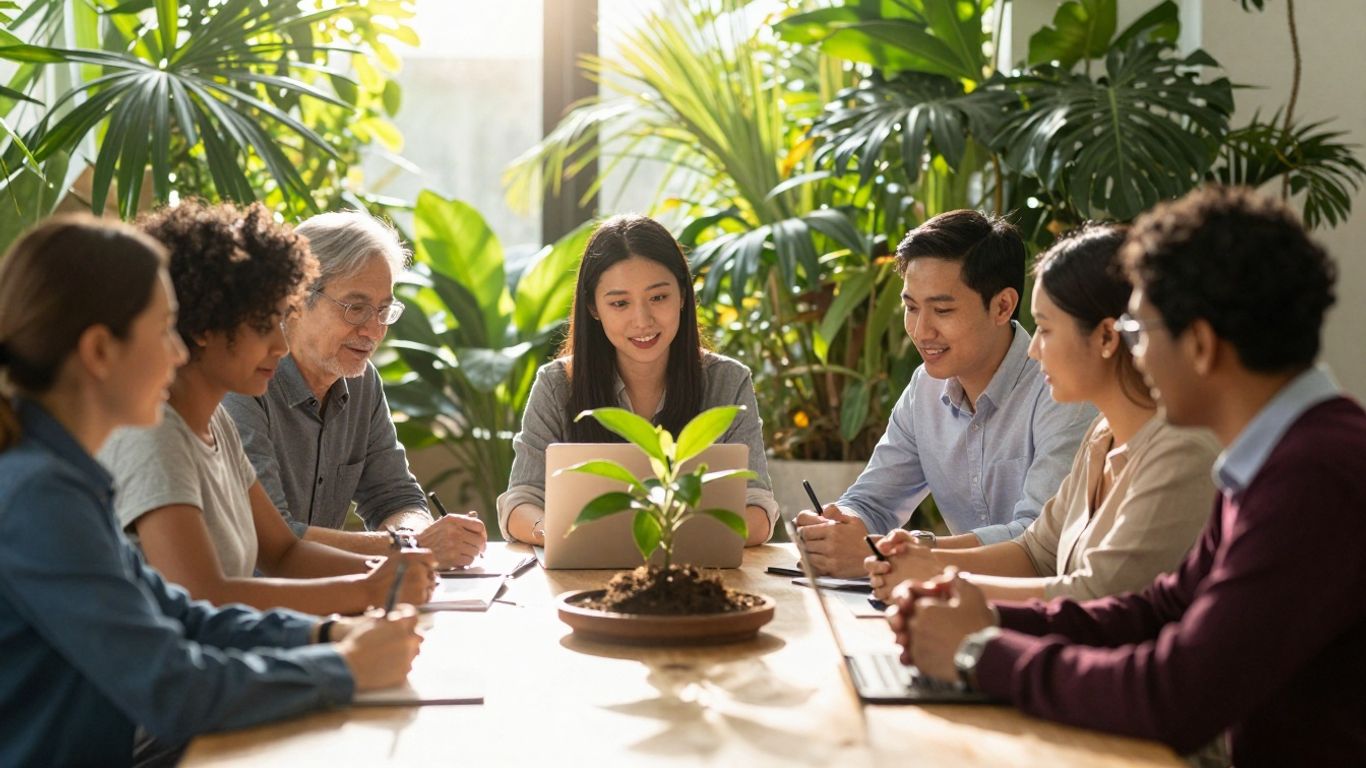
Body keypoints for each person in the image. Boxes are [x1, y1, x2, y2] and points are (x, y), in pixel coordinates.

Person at [888, 187, 1366, 766]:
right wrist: (982, 616)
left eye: (1139, 333)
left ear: (1200, 344)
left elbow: (1176, 692)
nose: (1132, 358)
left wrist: (981, 651)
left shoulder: (1316, 475)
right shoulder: (1274, 457)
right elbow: (1156, 608)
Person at [0, 216, 422, 767]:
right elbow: (171, 686)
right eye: (165, 331)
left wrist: (325, 632)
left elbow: (180, 613)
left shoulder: (64, 476)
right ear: (101, 351)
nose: (179, 354)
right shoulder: (40, 497)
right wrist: (343, 667)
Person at [99, 201, 435, 615]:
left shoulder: (215, 422)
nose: (280, 346)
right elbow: (203, 599)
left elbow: (284, 552)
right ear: (206, 326)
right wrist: (364, 595)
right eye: (265, 325)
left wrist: (391, 575)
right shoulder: (155, 432)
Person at [865, 224, 1219, 602]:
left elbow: (1098, 596)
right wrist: (920, 561)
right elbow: (1036, 551)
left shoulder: (1182, 450)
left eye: (1046, 331)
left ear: (1105, 337)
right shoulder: (1102, 436)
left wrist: (938, 580)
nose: (1033, 351)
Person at [796, 210, 1095, 576]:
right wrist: (838, 527)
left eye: (942, 309)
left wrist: (906, 553)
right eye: (910, 308)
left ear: (1003, 306)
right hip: (955, 599)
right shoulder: (925, 387)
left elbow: (1039, 541)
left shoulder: (1061, 390)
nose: (921, 331)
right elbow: (872, 502)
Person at [224, 211, 486, 568]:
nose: (374, 331)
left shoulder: (362, 382)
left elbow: (396, 498)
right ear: (296, 299)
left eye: (384, 310)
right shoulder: (242, 383)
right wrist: (409, 545)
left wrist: (415, 536)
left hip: (329, 596)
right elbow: (273, 539)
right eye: (356, 308)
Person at [498, 214, 777, 546]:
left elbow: (757, 507)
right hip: (583, 576)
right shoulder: (557, 384)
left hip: (697, 575)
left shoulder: (728, 382)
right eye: (620, 303)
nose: (642, 321)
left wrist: (665, 541)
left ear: (683, 296)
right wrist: (562, 534)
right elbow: (520, 501)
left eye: (658, 298)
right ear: (593, 308)